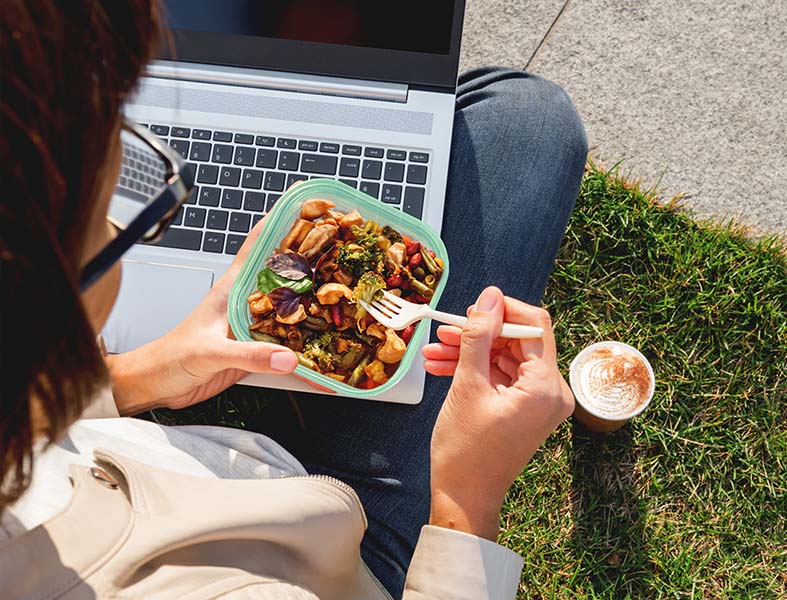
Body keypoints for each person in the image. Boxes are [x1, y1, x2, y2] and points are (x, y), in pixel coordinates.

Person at [0, 1, 586, 598]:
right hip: (345, 552)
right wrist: (468, 493)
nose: (120, 219)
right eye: (121, 215)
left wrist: (139, 377)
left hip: (199, 461)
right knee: (531, 120)